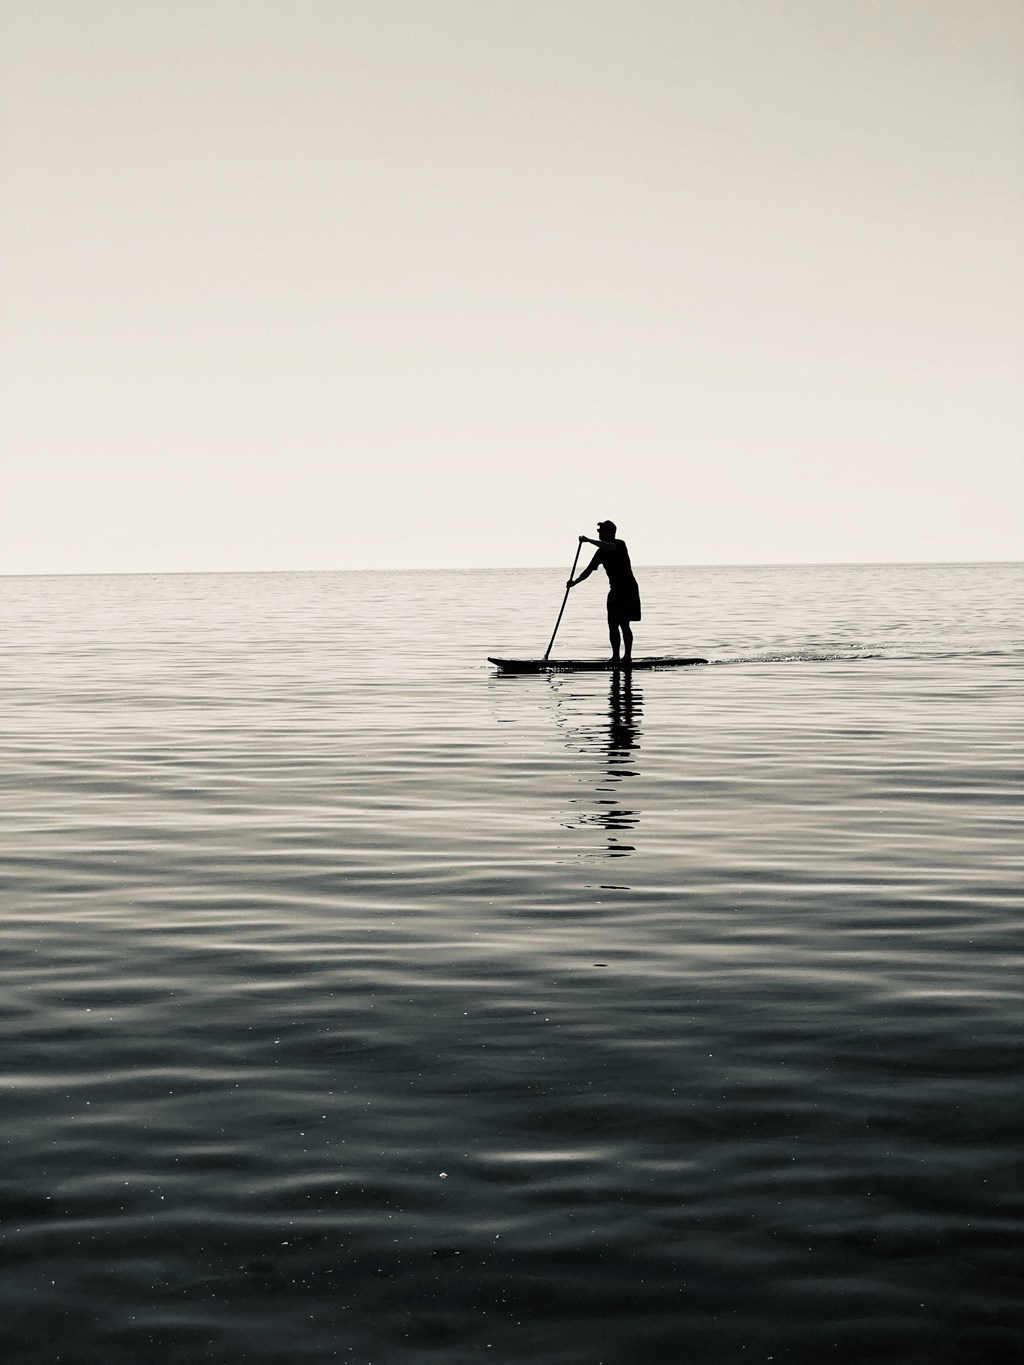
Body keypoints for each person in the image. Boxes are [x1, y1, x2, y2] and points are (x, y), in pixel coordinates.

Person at [567, 520, 642, 665]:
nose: (599, 533)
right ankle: (615, 657)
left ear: (610, 532)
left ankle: (627, 657)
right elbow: (588, 570)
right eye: (598, 531)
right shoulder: (600, 552)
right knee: (612, 624)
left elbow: (609, 546)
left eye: (601, 531)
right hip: (614, 590)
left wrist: (589, 540)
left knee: (624, 624)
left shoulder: (619, 544)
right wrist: (574, 582)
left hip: (628, 589)